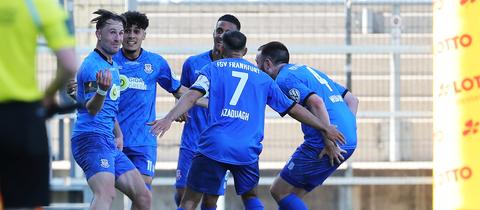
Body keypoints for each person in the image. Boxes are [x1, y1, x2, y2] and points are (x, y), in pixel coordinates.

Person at [148, 31, 345, 210]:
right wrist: (325, 127)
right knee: (250, 195)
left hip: (214, 145)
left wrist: (168, 119)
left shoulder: (212, 69)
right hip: (246, 148)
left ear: (222, 48)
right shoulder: (262, 77)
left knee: (190, 200)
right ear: (245, 51)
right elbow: (293, 109)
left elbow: (191, 95)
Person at [255, 41, 359, 210]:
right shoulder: (306, 70)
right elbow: (352, 100)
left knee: (279, 191)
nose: (257, 70)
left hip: (326, 143)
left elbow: (316, 102)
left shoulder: (284, 79)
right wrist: (347, 129)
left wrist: (329, 141)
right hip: (349, 139)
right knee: (292, 195)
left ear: (267, 64)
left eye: (258, 64)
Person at [0, 1, 77, 209]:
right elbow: (69, 64)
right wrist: (49, 94)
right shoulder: (38, 4)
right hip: (21, 118)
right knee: (24, 203)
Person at [71, 9, 151, 210]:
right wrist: (101, 91)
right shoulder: (92, 66)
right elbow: (92, 109)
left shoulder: (112, 65)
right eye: (112, 32)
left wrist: (118, 133)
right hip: (90, 138)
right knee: (105, 193)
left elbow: (108, 108)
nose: (118, 39)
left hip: (107, 139)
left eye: (121, 33)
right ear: (98, 34)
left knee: (143, 197)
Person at [176, 14, 241, 209]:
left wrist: (200, 101)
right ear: (213, 33)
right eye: (219, 30)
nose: (221, 35)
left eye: (227, 32)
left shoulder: (238, 70)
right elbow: (182, 91)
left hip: (220, 143)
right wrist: (180, 108)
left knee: (211, 200)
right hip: (192, 139)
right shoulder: (193, 63)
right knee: (182, 193)